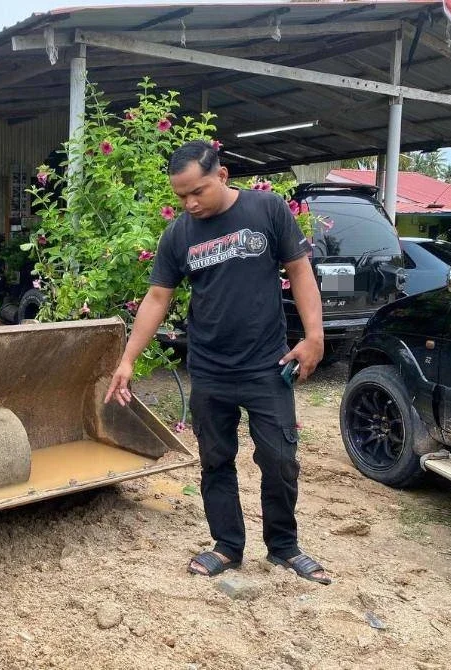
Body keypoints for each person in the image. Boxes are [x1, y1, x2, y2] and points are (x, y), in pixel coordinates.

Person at [104, 140, 331, 585]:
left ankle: (284, 547)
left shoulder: (267, 210)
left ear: (222, 176)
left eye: (198, 192)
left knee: (280, 458)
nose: (189, 204)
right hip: (209, 368)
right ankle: (227, 546)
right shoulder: (179, 235)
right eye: (180, 197)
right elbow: (156, 298)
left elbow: (300, 270)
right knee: (216, 459)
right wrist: (127, 360)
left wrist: (314, 336)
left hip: (268, 365)